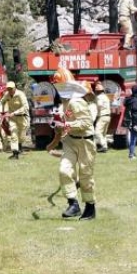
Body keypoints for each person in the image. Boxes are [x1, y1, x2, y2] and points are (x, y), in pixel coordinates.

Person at [47, 68, 97, 220]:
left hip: (85, 142)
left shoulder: (76, 101)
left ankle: (90, 208)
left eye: (58, 85)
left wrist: (66, 126)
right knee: (64, 170)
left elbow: (85, 123)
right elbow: (64, 119)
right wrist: (56, 124)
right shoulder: (65, 101)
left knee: (85, 176)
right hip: (70, 141)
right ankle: (73, 204)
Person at [1, 81, 30, 160]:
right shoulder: (7, 95)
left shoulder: (20, 94)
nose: (9, 90)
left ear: (14, 88)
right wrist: (2, 111)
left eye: (11, 89)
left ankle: (19, 146)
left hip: (22, 117)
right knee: (13, 134)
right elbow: (1, 102)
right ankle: (15, 153)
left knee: (22, 136)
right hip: (12, 119)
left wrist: (14, 112)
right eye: (8, 89)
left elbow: (26, 107)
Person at [123, 85, 137, 160]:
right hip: (134, 122)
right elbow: (135, 113)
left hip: (129, 121)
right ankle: (131, 155)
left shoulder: (130, 99)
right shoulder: (136, 100)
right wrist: (135, 124)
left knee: (132, 137)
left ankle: (132, 152)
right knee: (133, 138)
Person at [93, 82, 111, 153]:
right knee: (103, 133)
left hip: (102, 116)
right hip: (108, 116)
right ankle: (105, 147)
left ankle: (103, 145)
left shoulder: (99, 97)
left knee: (97, 132)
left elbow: (99, 105)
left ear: (97, 91)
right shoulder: (105, 96)